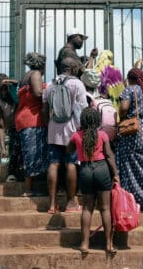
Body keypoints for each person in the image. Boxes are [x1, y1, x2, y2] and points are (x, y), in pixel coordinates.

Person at [67, 108, 119, 254]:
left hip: (85, 171)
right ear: (97, 121)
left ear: (82, 121)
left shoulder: (76, 135)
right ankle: (109, 244)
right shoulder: (102, 135)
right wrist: (115, 174)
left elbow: (68, 150)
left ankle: (84, 244)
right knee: (105, 209)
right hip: (102, 169)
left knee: (87, 209)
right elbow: (109, 155)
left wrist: (77, 134)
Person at [42, 57, 88, 213]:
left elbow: (44, 110)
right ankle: (70, 203)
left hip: (53, 130)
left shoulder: (49, 85)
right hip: (72, 130)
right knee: (71, 164)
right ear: (72, 68)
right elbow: (83, 110)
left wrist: (48, 126)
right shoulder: (77, 84)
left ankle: (52, 204)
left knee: (53, 164)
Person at [116, 68, 143, 210]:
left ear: (129, 78)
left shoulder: (129, 90)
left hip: (132, 131)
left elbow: (124, 107)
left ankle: (131, 200)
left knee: (129, 165)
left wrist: (121, 117)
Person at [14, 52, 48, 196]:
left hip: (24, 119)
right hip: (32, 120)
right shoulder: (35, 75)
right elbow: (38, 93)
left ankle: (31, 188)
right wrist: (50, 91)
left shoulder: (26, 76)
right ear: (41, 64)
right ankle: (28, 190)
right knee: (33, 155)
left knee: (30, 154)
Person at [0, 73, 23, 182]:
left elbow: (21, 83)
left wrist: (10, 82)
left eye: (5, 89)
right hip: (13, 128)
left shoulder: (15, 93)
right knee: (14, 145)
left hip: (24, 125)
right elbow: (0, 126)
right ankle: (12, 173)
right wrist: (2, 147)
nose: (4, 92)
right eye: (0, 90)